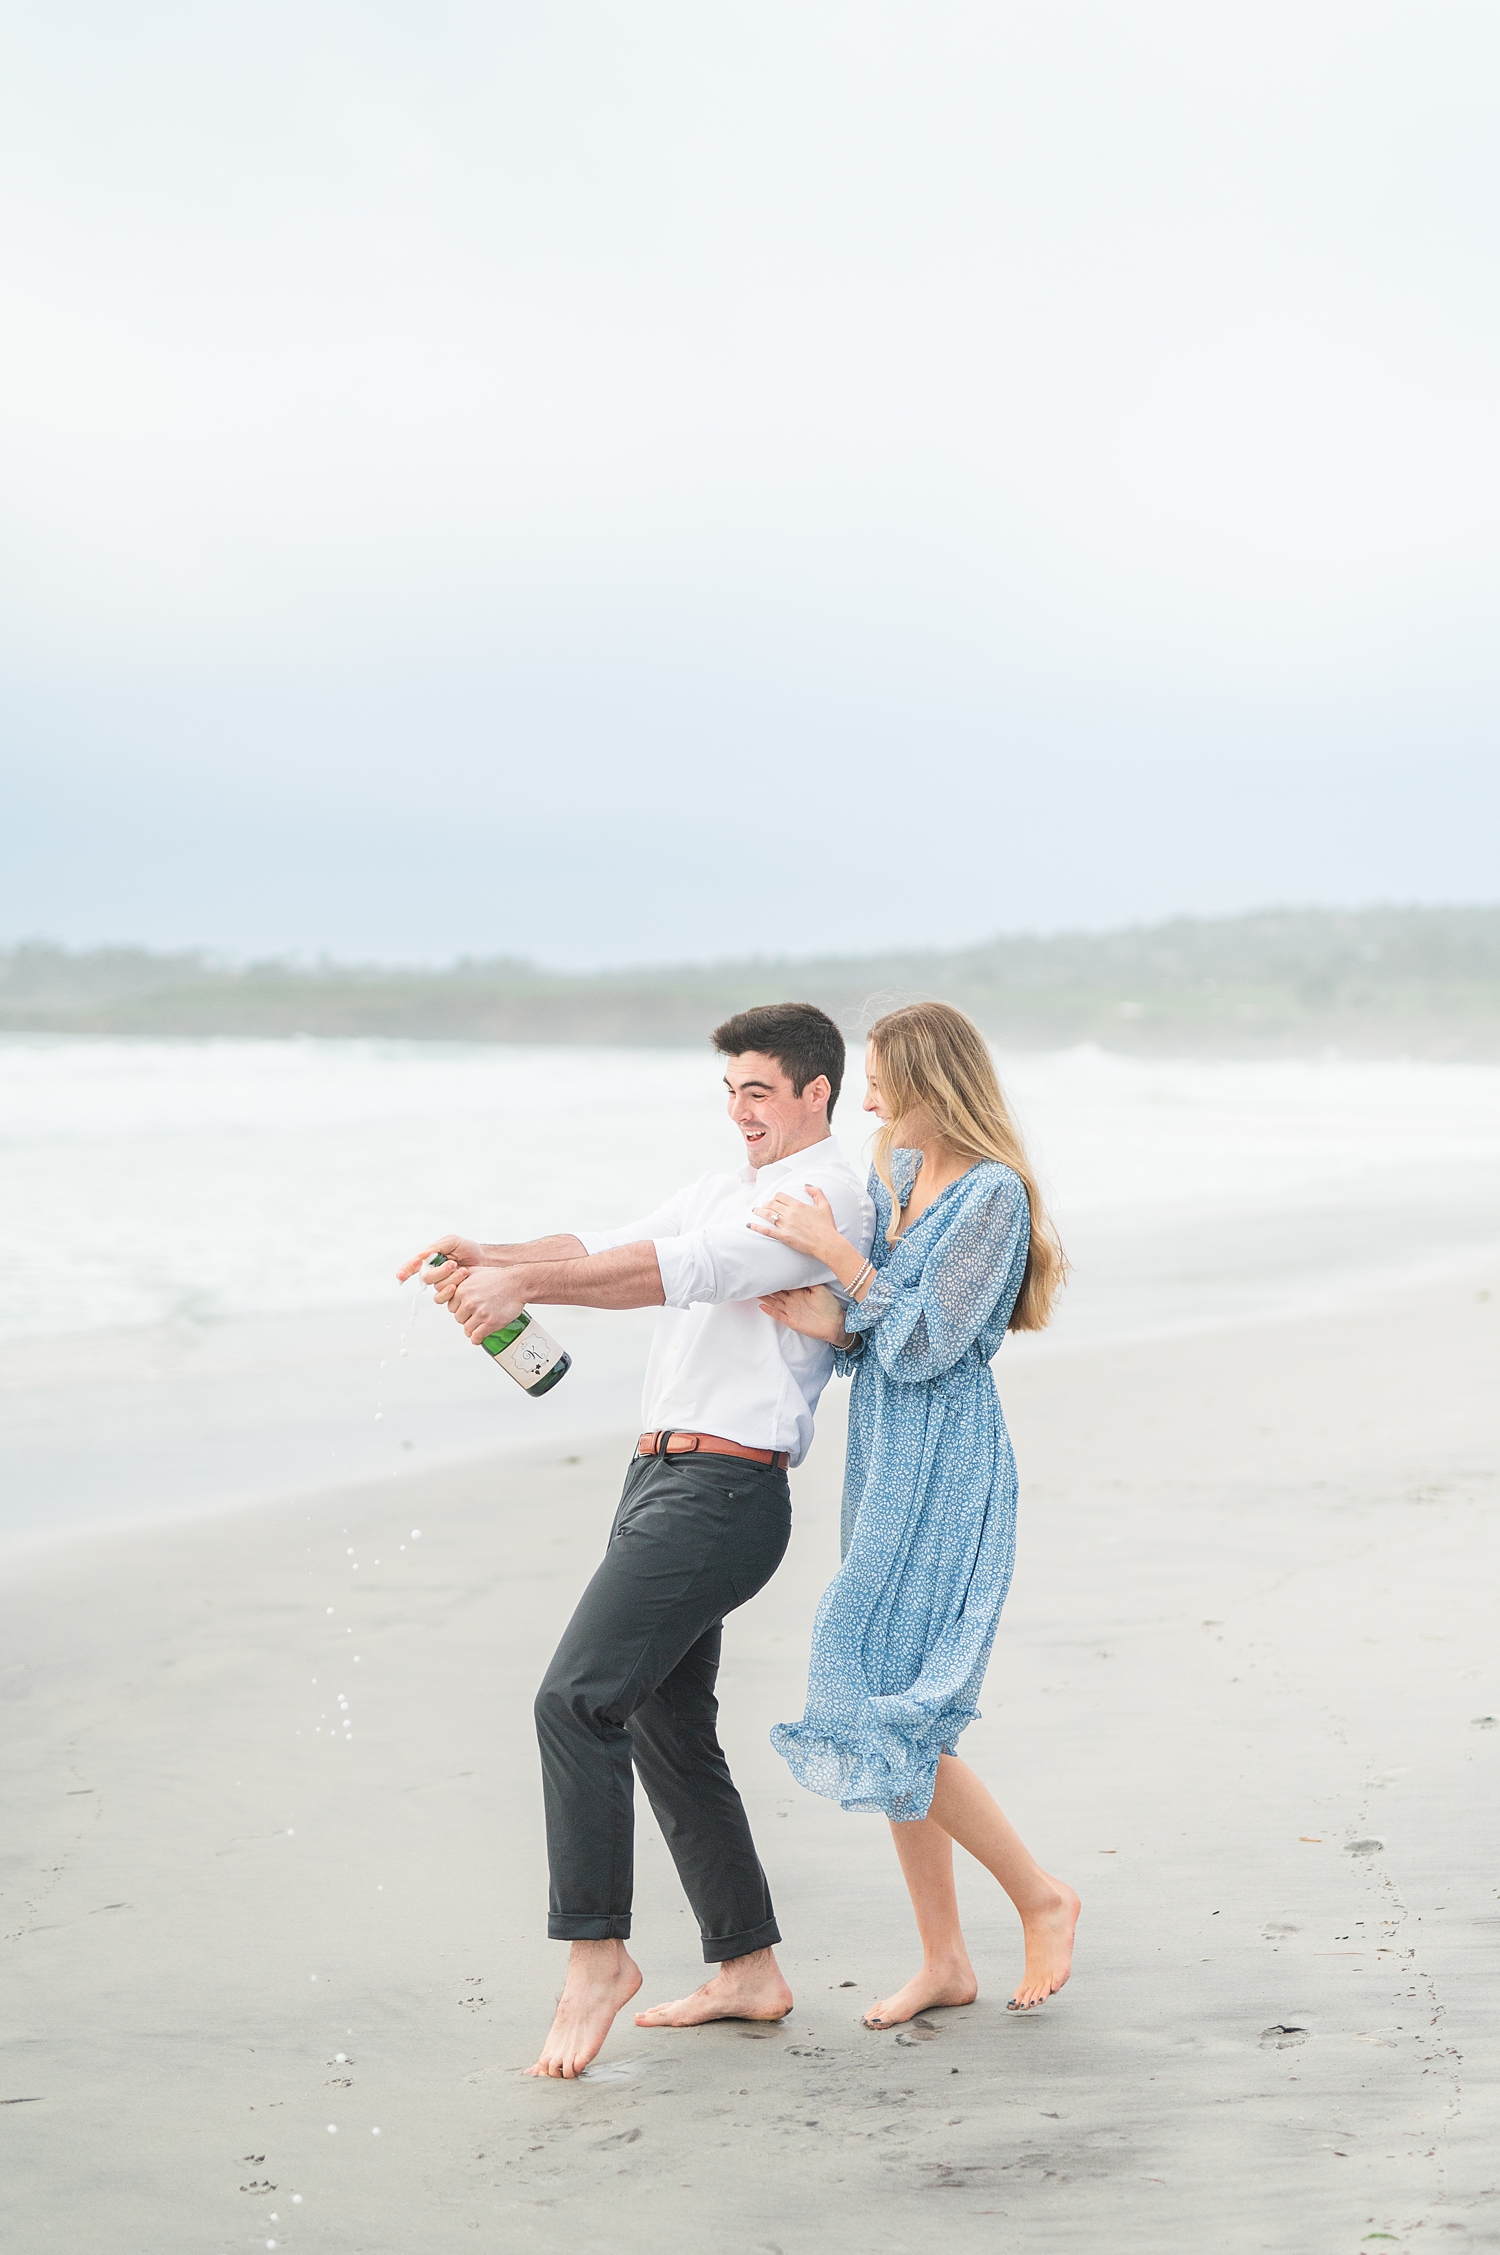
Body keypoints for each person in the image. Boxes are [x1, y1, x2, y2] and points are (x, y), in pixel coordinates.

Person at [398, 1003, 874, 2079]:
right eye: (730, 1090)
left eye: (759, 1089)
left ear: (816, 1093)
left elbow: (682, 1272)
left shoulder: (824, 1193)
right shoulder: (725, 1187)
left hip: (726, 1488)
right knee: (666, 1720)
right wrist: (497, 1252)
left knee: (576, 1698)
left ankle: (596, 1954)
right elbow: (613, 1248)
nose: (740, 1109)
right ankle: (747, 1965)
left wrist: (527, 1287)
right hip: (659, 1476)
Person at [748, 1000, 1078, 2026]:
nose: (870, 1090)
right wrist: (829, 1319)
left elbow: (933, 1341)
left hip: (945, 1455)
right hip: (884, 1446)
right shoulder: (894, 1173)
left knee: (884, 1694)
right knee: (889, 1690)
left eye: (884, 1072)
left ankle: (1041, 1894)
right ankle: (944, 1956)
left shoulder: (993, 1194)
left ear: (935, 1078)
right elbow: (883, 1337)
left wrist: (842, 1267)